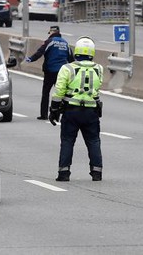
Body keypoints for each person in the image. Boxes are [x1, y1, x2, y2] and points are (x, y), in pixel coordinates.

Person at [49, 36, 104, 182]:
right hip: (91, 111)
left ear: (76, 52)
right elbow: (97, 89)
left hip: (71, 111)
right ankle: (97, 172)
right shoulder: (99, 69)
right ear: (92, 53)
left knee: (67, 141)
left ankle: (64, 173)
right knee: (93, 141)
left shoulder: (67, 68)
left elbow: (59, 90)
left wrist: (54, 109)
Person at [25, 25, 73, 120]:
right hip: (62, 72)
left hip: (50, 71)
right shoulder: (66, 43)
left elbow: (40, 52)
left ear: (51, 32)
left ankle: (44, 115)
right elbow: (71, 59)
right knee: (61, 93)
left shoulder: (49, 42)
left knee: (46, 93)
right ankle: (60, 114)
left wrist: (30, 59)